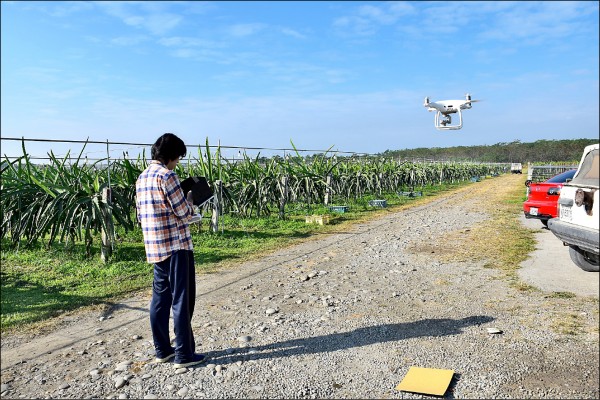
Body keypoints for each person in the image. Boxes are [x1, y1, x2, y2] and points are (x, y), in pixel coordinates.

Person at [135, 133, 206, 368]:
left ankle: (163, 350)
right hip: (176, 246)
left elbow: (141, 215)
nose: (177, 163)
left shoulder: (142, 178)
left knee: (159, 300)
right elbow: (184, 213)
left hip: (155, 246)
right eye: (178, 158)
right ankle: (184, 354)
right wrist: (190, 199)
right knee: (182, 300)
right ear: (172, 156)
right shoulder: (167, 176)